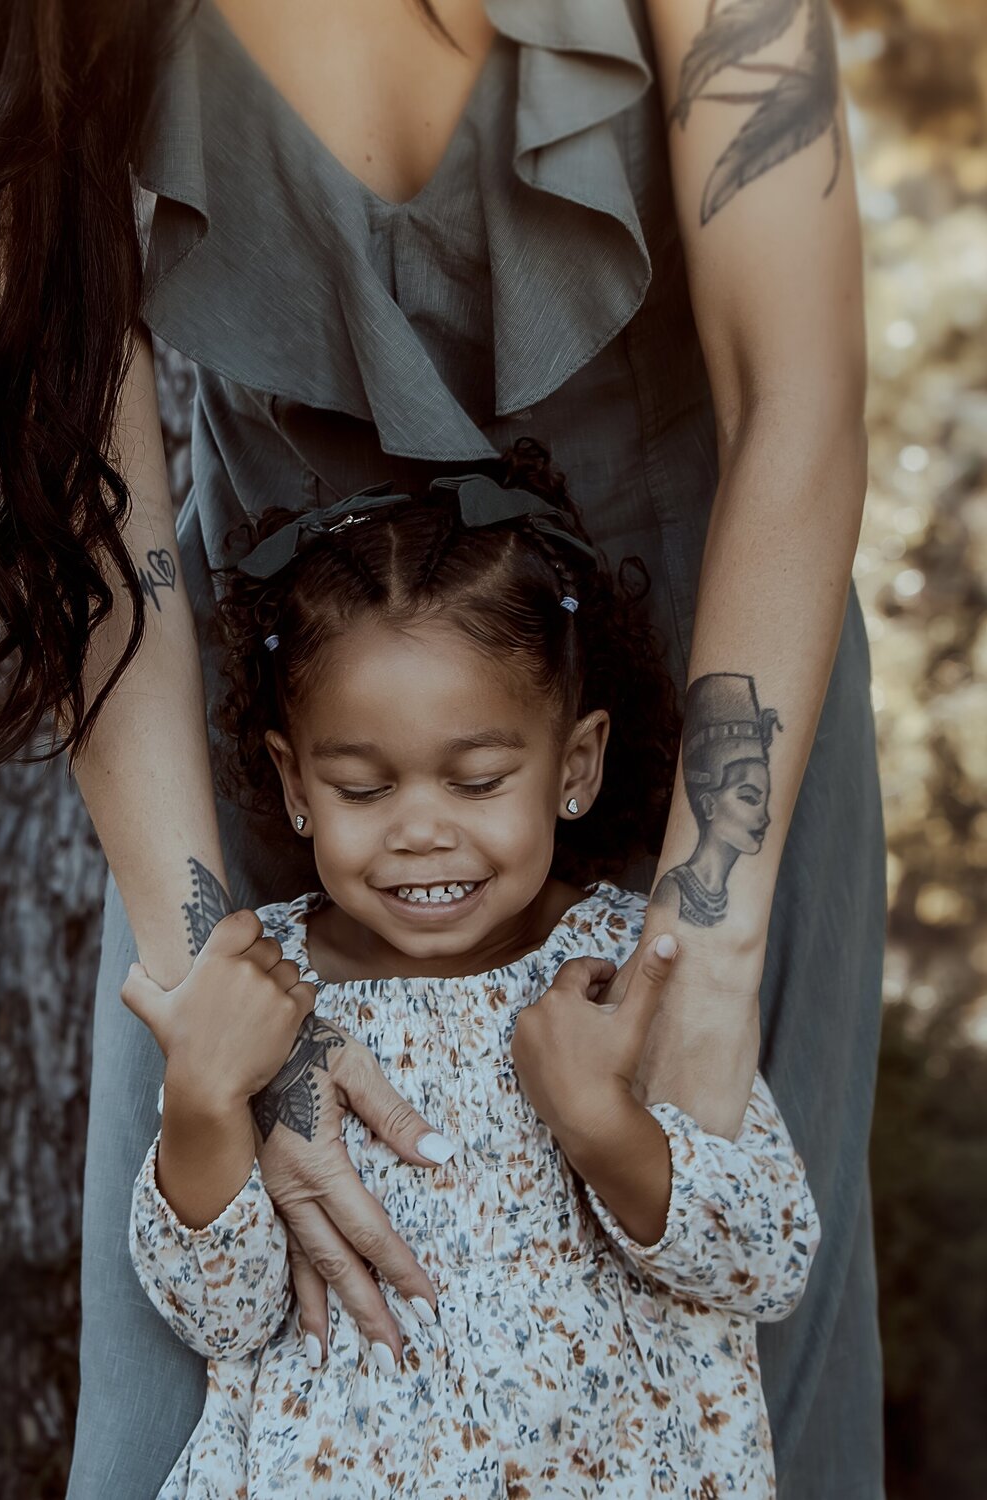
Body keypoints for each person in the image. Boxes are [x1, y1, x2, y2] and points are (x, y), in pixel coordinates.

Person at [0, 1, 884, 1496]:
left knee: (734, 1377)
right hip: (281, 716)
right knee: (179, 1403)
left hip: (717, 692)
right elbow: (79, 521)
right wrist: (223, 998)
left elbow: (798, 392)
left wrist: (704, 964)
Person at [119, 454, 822, 1497]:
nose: (420, 831)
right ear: (293, 782)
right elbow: (217, 1313)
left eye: (478, 780)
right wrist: (204, 1095)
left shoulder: (636, 971)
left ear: (575, 766)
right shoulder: (259, 984)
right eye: (363, 788)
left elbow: (765, 1260)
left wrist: (599, 1122)